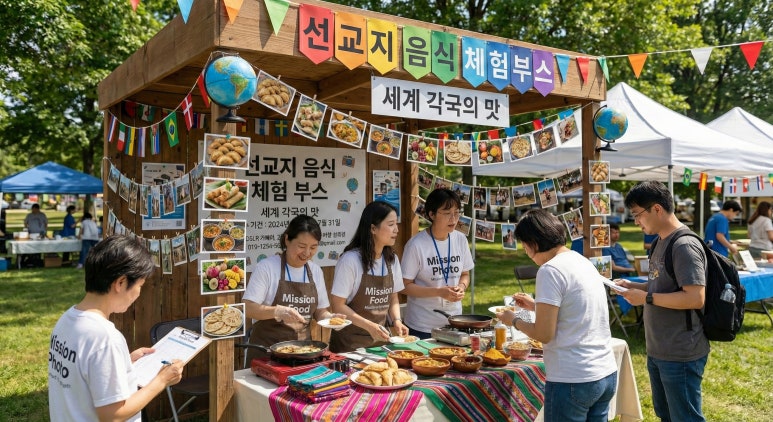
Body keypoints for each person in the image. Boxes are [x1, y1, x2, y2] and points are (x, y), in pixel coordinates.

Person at [496, 209, 617, 421]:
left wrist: (513, 320)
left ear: (533, 242)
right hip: (604, 371)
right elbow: (578, 308)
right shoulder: (581, 261)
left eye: (524, 245)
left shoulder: (549, 270)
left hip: (573, 378)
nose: (524, 251)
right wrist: (536, 306)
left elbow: (543, 334)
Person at [48, 235, 184, 421]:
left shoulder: (67, 320)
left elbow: (82, 374)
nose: (138, 293)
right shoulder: (105, 338)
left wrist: (124, 362)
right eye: (140, 285)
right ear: (120, 283)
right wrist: (161, 381)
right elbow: (113, 415)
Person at [616, 181, 708, 422]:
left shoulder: (684, 245)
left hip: (680, 350)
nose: (636, 221)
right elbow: (662, 284)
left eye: (637, 214)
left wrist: (645, 297)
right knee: (666, 415)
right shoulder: (659, 241)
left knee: (685, 417)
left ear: (656, 209)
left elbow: (695, 298)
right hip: (659, 348)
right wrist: (633, 286)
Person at [243, 215, 343, 360]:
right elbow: (248, 308)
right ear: (287, 240)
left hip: (303, 353)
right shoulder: (267, 267)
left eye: (313, 247)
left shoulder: (315, 271)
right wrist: (278, 311)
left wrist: (331, 318)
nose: (307, 253)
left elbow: (320, 311)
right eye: (302, 246)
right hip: (266, 353)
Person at [329, 201, 407, 352]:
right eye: (391, 224)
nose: (396, 229)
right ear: (373, 228)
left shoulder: (392, 259)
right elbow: (338, 305)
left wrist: (397, 320)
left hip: (381, 342)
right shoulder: (350, 260)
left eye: (396, 224)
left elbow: (393, 297)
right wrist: (369, 326)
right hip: (350, 345)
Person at [401, 188, 474, 339]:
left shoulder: (460, 240)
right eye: (447, 213)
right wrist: (440, 292)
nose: (453, 219)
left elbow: (465, 274)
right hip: (422, 326)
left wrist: (461, 287)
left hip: (454, 322)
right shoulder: (416, 245)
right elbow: (404, 286)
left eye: (456, 213)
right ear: (431, 214)